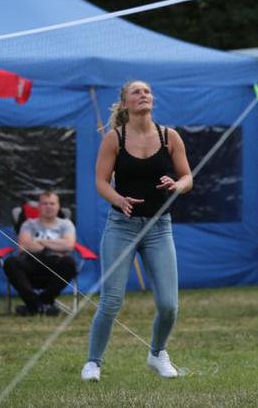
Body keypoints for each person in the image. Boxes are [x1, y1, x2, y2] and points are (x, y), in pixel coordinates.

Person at [81, 80, 193, 383]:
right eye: (136, 92)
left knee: (169, 306)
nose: (143, 95)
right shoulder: (114, 138)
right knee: (111, 301)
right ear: (125, 103)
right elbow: (101, 181)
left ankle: (157, 354)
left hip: (159, 228)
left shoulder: (169, 137)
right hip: (121, 227)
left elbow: (187, 177)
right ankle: (93, 363)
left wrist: (177, 185)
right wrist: (119, 199)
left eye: (147, 91)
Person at [3, 190, 77, 316]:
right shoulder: (28, 224)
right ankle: (39, 305)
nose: (48, 207)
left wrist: (41, 242)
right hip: (31, 264)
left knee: (69, 262)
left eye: (52, 203)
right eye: (45, 203)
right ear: (39, 206)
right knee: (10, 262)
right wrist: (57, 244)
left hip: (55, 267)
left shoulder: (66, 224)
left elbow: (69, 245)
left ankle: (36, 305)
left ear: (58, 206)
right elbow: (23, 246)